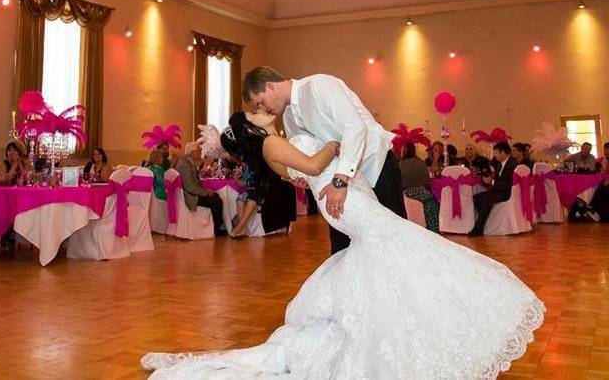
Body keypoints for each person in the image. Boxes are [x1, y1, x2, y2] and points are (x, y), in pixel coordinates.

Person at [142, 111, 545, 379]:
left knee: (389, 253)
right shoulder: (271, 145)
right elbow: (315, 166)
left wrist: (329, 168)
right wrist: (337, 146)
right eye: (256, 114)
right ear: (254, 131)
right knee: (398, 243)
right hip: (345, 200)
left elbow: (302, 175)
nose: (264, 111)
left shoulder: (275, 146)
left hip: (346, 196)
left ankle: (393, 325)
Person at [241, 66, 405, 255]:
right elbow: (311, 158)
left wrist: (340, 180)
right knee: (343, 249)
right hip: (338, 186)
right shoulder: (288, 119)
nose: (264, 109)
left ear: (270, 86)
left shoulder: (319, 85)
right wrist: (302, 178)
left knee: (393, 240)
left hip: (374, 167)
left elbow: (354, 127)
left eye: (260, 102)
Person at [220, 111, 297, 236]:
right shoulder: (268, 149)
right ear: (249, 128)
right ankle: (241, 226)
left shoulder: (274, 141)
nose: (262, 110)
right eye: (254, 114)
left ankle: (241, 226)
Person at [468, 142, 518, 237]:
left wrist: (492, 182)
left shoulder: (512, 165)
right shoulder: (500, 164)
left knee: (487, 199)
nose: (495, 155)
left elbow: (509, 185)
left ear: (502, 152)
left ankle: (478, 228)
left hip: (507, 193)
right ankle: (486, 221)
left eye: (496, 153)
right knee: (477, 197)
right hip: (499, 190)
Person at [175, 143, 224, 236]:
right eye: (199, 151)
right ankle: (217, 229)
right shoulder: (185, 164)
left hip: (192, 193)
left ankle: (217, 226)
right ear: (192, 152)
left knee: (216, 196)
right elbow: (189, 186)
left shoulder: (188, 162)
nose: (201, 152)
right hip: (189, 196)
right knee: (216, 201)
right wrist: (206, 192)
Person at [399, 142, 439, 232]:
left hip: (404, 194)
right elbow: (426, 182)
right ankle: (434, 230)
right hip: (420, 193)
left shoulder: (399, 165)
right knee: (433, 201)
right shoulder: (420, 163)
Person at [590, 142, 609, 222]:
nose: (605, 152)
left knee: (603, 189)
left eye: (607, 150)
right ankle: (597, 211)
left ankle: (595, 209)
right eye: (605, 150)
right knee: (600, 187)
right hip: (605, 180)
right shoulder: (604, 160)